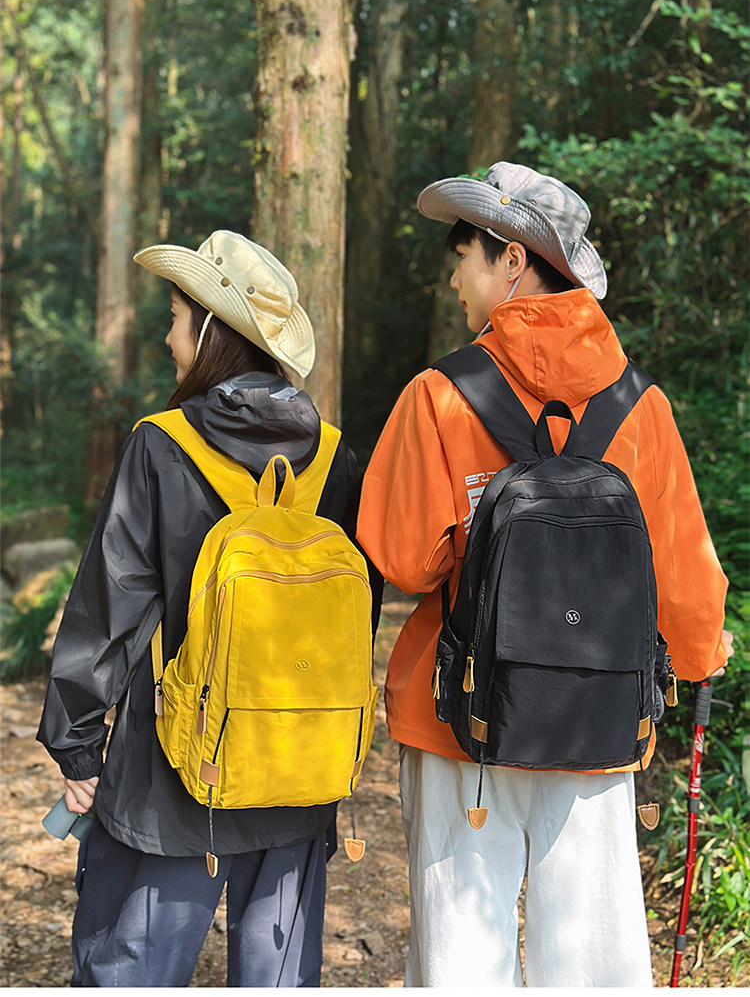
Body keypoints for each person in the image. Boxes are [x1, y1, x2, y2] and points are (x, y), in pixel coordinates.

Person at [356, 162, 733, 988]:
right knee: (593, 960)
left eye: (464, 256)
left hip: (462, 721)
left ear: (513, 260)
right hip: (598, 721)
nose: (455, 278)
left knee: (460, 957)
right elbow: (682, 575)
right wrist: (701, 657)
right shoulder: (641, 405)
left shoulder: (440, 395)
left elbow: (404, 559)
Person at [37, 230, 379, 987]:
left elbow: (108, 606)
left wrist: (78, 747)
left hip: (174, 774)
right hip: (300, 765)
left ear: (211, 331)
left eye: (175, 318)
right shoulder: (334, 457)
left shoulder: (160, 446)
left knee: (132, 970)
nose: (168, 337)